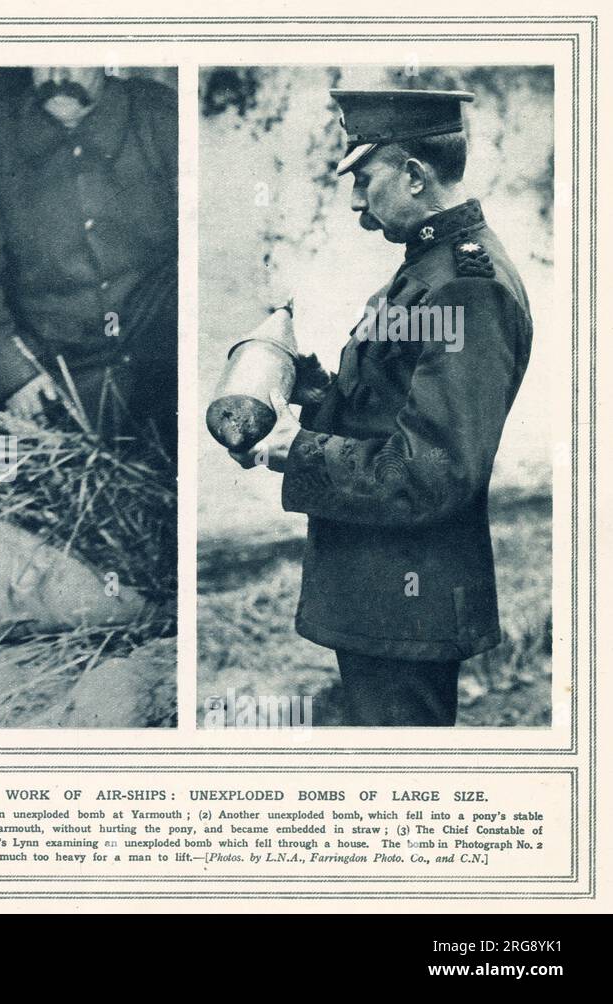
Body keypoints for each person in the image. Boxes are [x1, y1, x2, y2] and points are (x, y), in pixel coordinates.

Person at [230, 88, 533, 727]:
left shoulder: (465, 288)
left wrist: (295, 449)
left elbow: (434, 472)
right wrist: (303, 389)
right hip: (383, 594)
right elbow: (385, 407)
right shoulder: (428, 270)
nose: (356, 202)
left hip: (408, 599)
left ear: (416, 175)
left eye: (365, 180)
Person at [0, 67, 178, 450]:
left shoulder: (158, 118)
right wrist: (14, 377)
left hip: (160, 361)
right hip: (61, 375)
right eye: (45, 58)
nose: (57, 74)